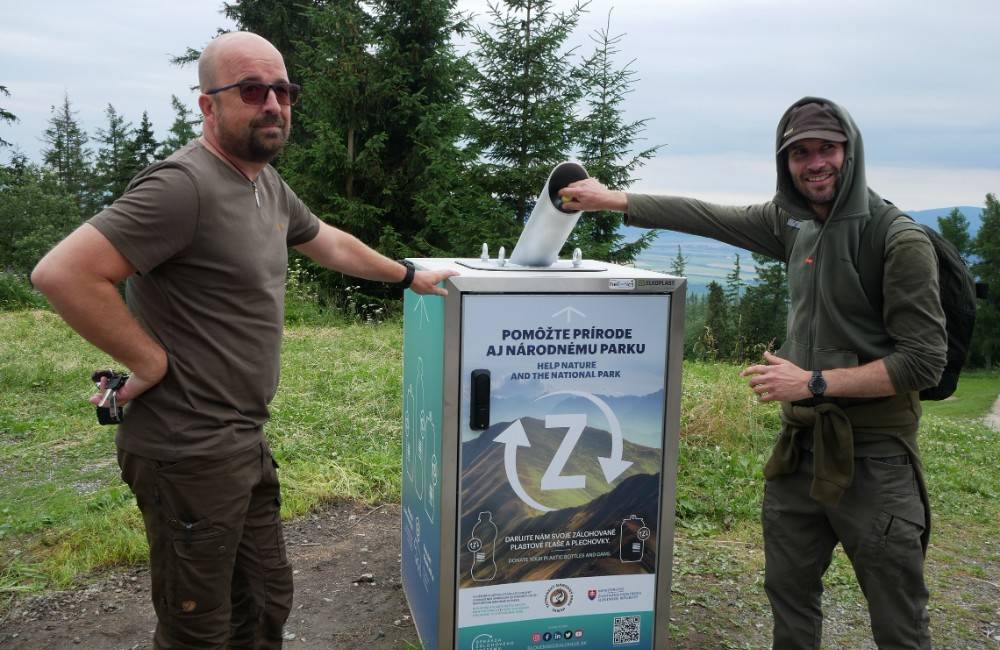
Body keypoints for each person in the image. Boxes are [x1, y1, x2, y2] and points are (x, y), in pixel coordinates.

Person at [31, 31, 456, 649]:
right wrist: (146, 361)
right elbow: (62, 273)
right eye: (253, 90)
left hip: (239, 440)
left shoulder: (262, 184)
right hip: (186, 449)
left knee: (262, 601)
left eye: (284, 91)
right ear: (209, 105)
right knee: (198, 625)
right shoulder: (182, 186)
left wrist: (409, 275)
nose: (273, 105)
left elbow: (326, 240)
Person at [559, 97, 946, 650]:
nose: (815, 163)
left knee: (896, 614)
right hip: (799, 452)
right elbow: (708, 216)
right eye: (800, 153)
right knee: (788, 593)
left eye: (827, 149)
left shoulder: (896, 239)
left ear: (851, 151)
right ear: (785, 161)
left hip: (876, 458)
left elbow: (923, 361)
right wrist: (611, 199)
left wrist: (812, 383)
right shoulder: (794, 225)